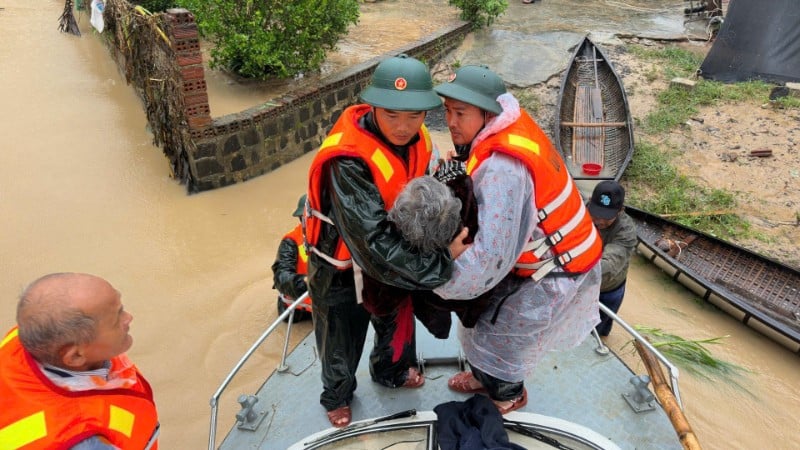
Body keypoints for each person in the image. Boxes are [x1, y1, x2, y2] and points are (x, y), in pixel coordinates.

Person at [303, 54, 469, 428]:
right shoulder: (347, 160)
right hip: (342, 265)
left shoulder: (421, 140)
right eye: (392, 115)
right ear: (373, 106)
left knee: (397, 323)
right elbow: (372, 242)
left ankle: (391, 370)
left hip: (397, 255)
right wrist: (441, 262)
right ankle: (338, 395)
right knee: (339, 338)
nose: (403, 127)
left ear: (427, 114)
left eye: (414, 116)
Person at [431, 65, 603, 415]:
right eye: (447, 111)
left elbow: (491, 258)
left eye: (460, 113)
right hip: (545, 256)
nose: (450, 121)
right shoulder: (508, 124)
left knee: (504, 340)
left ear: (486, 113)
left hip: (553, 271)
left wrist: (440, 276)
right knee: (478, 328)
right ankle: (483, 376)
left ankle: (506, 395)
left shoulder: (503, 169)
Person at [0, 273, 159, 449]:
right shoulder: (84, 441)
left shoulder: (30, 337)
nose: (129, 318)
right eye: (117, 318)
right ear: (75, 357)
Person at [587, 181, 638, 337]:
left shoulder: (626, 231)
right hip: (580, 284)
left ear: (620, 211)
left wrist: (569, 270)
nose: (599, 221)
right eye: (595, 214)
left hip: (607, 289)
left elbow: (608, 265)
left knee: (598, 333)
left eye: (607, 217)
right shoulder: (578, 212)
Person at [272, 194, 312, 322]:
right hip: (298, 309)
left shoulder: (335, 235)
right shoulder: (291, 242)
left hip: (325, 304)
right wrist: (306, 282)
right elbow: (281, 276)